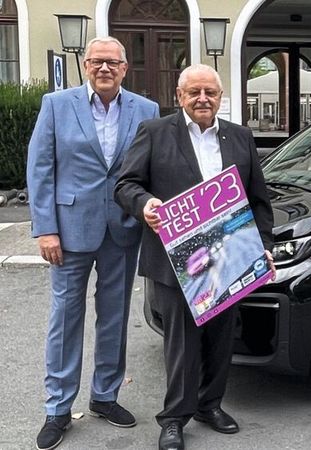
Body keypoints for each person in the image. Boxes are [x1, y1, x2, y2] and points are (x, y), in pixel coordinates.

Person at [114, 64, 275, 450]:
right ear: (179, 96)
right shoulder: (155, 132)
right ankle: (174, 418)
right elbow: (125, 184)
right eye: (194, 92)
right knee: (182, 344)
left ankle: (210, 406)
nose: (203, 99)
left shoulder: (240, 136)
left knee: (221, 339)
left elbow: (258, 199)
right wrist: (146, 204)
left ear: (221, 97)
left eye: (210, 92)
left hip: (228, 256)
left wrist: (263, 244)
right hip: (174, 261)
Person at [26, 36, 159, 450]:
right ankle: (58, 409)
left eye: (113, 63)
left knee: (114, 317)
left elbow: (153, 169)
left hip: (122, 227)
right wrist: (45, 228)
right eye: (97, 61)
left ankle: (105, 397)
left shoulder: (146, 110)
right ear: (85, 66)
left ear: (124, 68)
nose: (105, 68)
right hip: (68, 229)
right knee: (65, 319)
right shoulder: (56, 105)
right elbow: (40, 168)